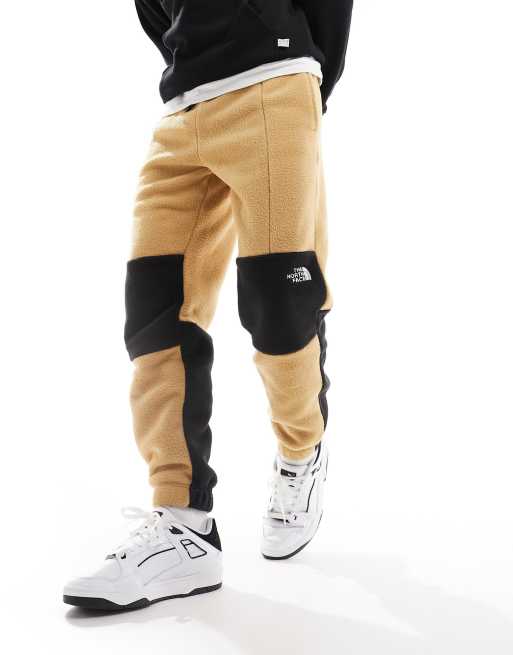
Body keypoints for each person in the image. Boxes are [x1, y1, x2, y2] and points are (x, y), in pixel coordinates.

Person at [63, 0, 353, 611]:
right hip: (183, 108)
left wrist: (304, 71)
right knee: (154, 311)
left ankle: (301, 450)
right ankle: (183, 526)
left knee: (279, 298)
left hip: (274, 82)